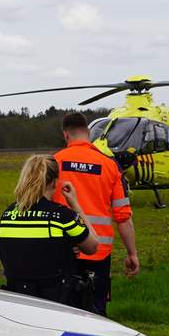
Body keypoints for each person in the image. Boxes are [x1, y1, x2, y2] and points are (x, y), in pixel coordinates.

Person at [52, 112, 139, 315]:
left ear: (66, 135)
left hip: (62, 250)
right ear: (89, 134)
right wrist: (132, 253)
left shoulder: (53, 163)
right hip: (98, 252)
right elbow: (123, 216)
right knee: (95, 311)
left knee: (61, 311)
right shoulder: (110, 166)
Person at [0, 155, 99, 306]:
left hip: (18, 302)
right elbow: (93, 246)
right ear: (54, 183)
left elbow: (25, 250)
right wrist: (76, 206)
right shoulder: (61, 215)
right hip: (57, 303)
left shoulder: (7, 215)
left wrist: (64, 246)